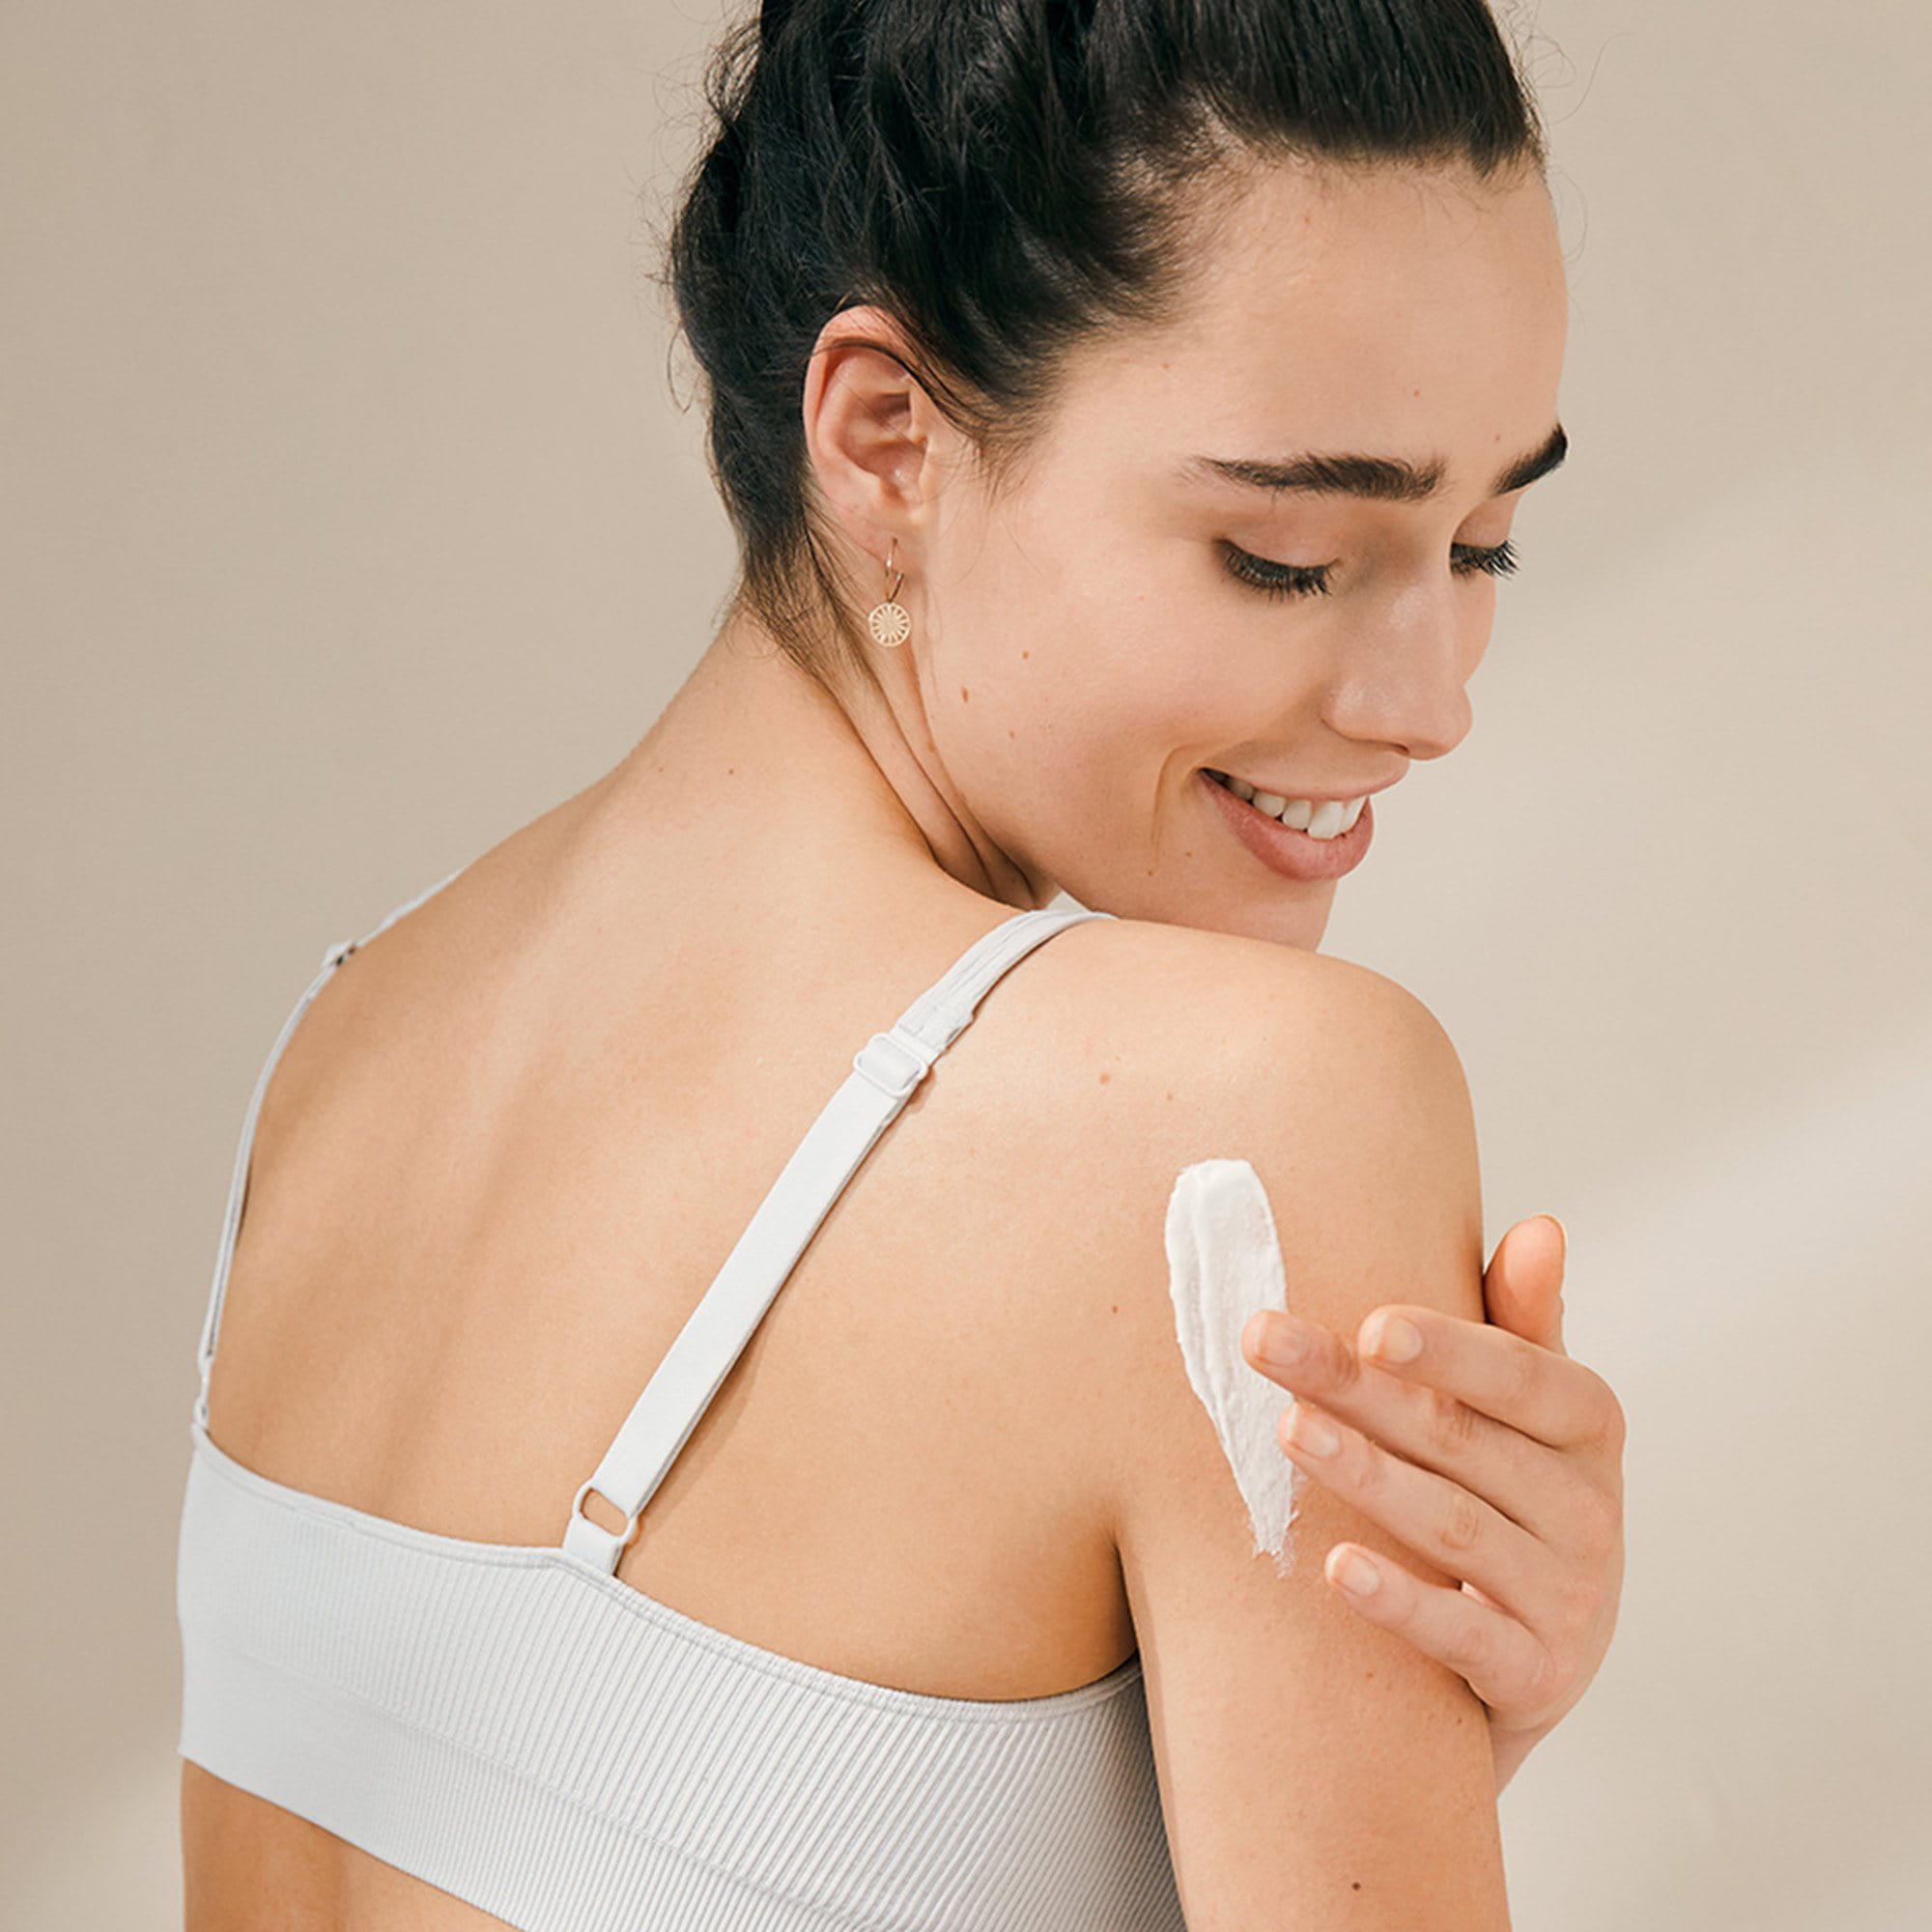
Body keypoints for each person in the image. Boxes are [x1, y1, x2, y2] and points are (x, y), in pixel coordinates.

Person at [178, 1, 1627, 1926]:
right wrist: (1398, 1748)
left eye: (1484, 544)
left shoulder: (352, 1024)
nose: (1428, 703)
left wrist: (1391, 1738)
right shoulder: (1244, 1118)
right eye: (1287, 553)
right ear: (886, 442)